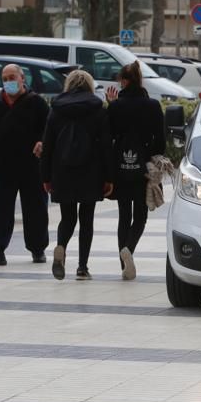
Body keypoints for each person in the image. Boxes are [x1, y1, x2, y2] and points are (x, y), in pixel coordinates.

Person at [0, 64, 50, 267]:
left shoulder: (37, 103)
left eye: (12, 77)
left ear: (22, 78)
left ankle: (37, 248)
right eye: (5, 78)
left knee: (36, 208)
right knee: (1, 209)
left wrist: (43, 142)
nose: (9, 82)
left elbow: (50, 129)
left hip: (32, 166)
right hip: (3, 165)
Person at [41, 70, 114, 281]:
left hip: (62, 170)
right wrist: (109, 177)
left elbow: (47, 146)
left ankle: (61, 248)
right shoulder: (97, 109)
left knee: (68, 217)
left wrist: (45, 176)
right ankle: (82, 267)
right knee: (87, 219)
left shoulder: (56, 109)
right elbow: (106, 146)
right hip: (91, 170)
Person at [107, 62, 165, 280]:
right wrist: (149, 154)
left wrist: (112, 105)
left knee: (124, 214)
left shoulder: (115, 106)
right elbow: (160, 142)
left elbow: (108, 135)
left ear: (124, 81)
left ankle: (124, 263)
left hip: (120, 167)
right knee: (140, 215)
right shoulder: (152, 105)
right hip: (143, 167)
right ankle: (129, 249)